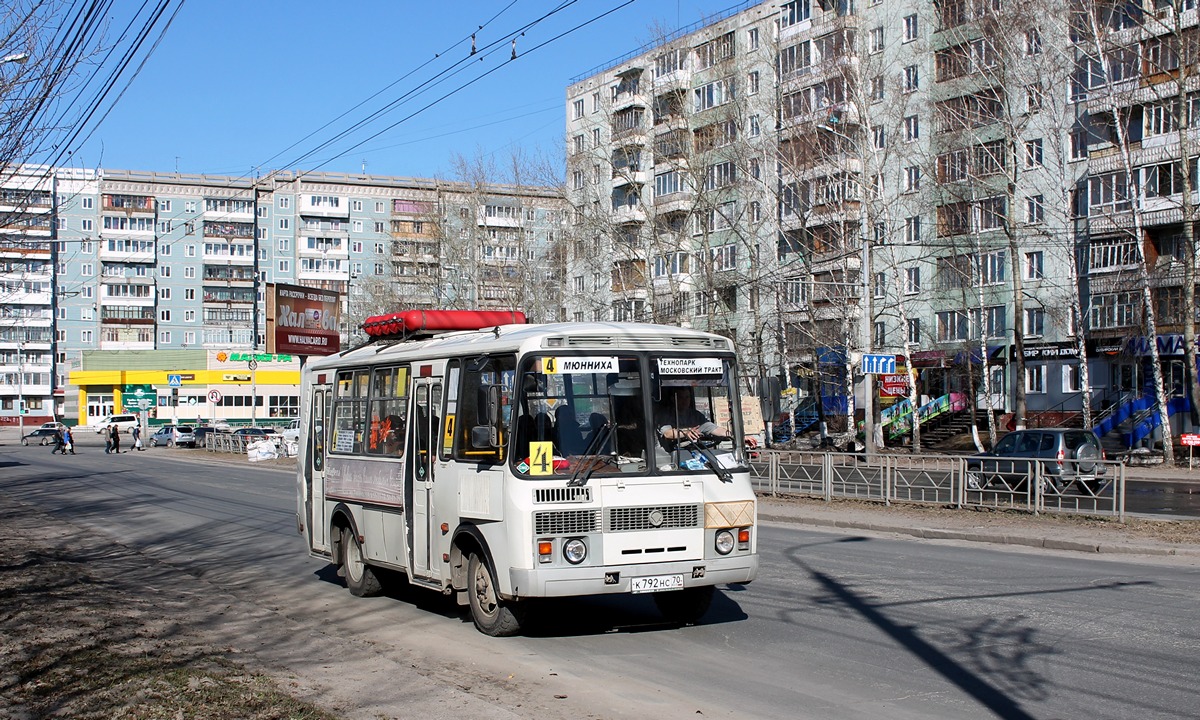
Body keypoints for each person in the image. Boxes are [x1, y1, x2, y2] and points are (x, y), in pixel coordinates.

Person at [654, 385, 728, 448]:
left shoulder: (695, 415)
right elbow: (668, 434)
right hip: (669, 457)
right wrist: (686, 433)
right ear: (673, 399)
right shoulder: (664, 415)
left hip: (695, 453)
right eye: (681, 398)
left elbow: (711, 428)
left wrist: (730, 434)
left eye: (687, 397)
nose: (685, 401)